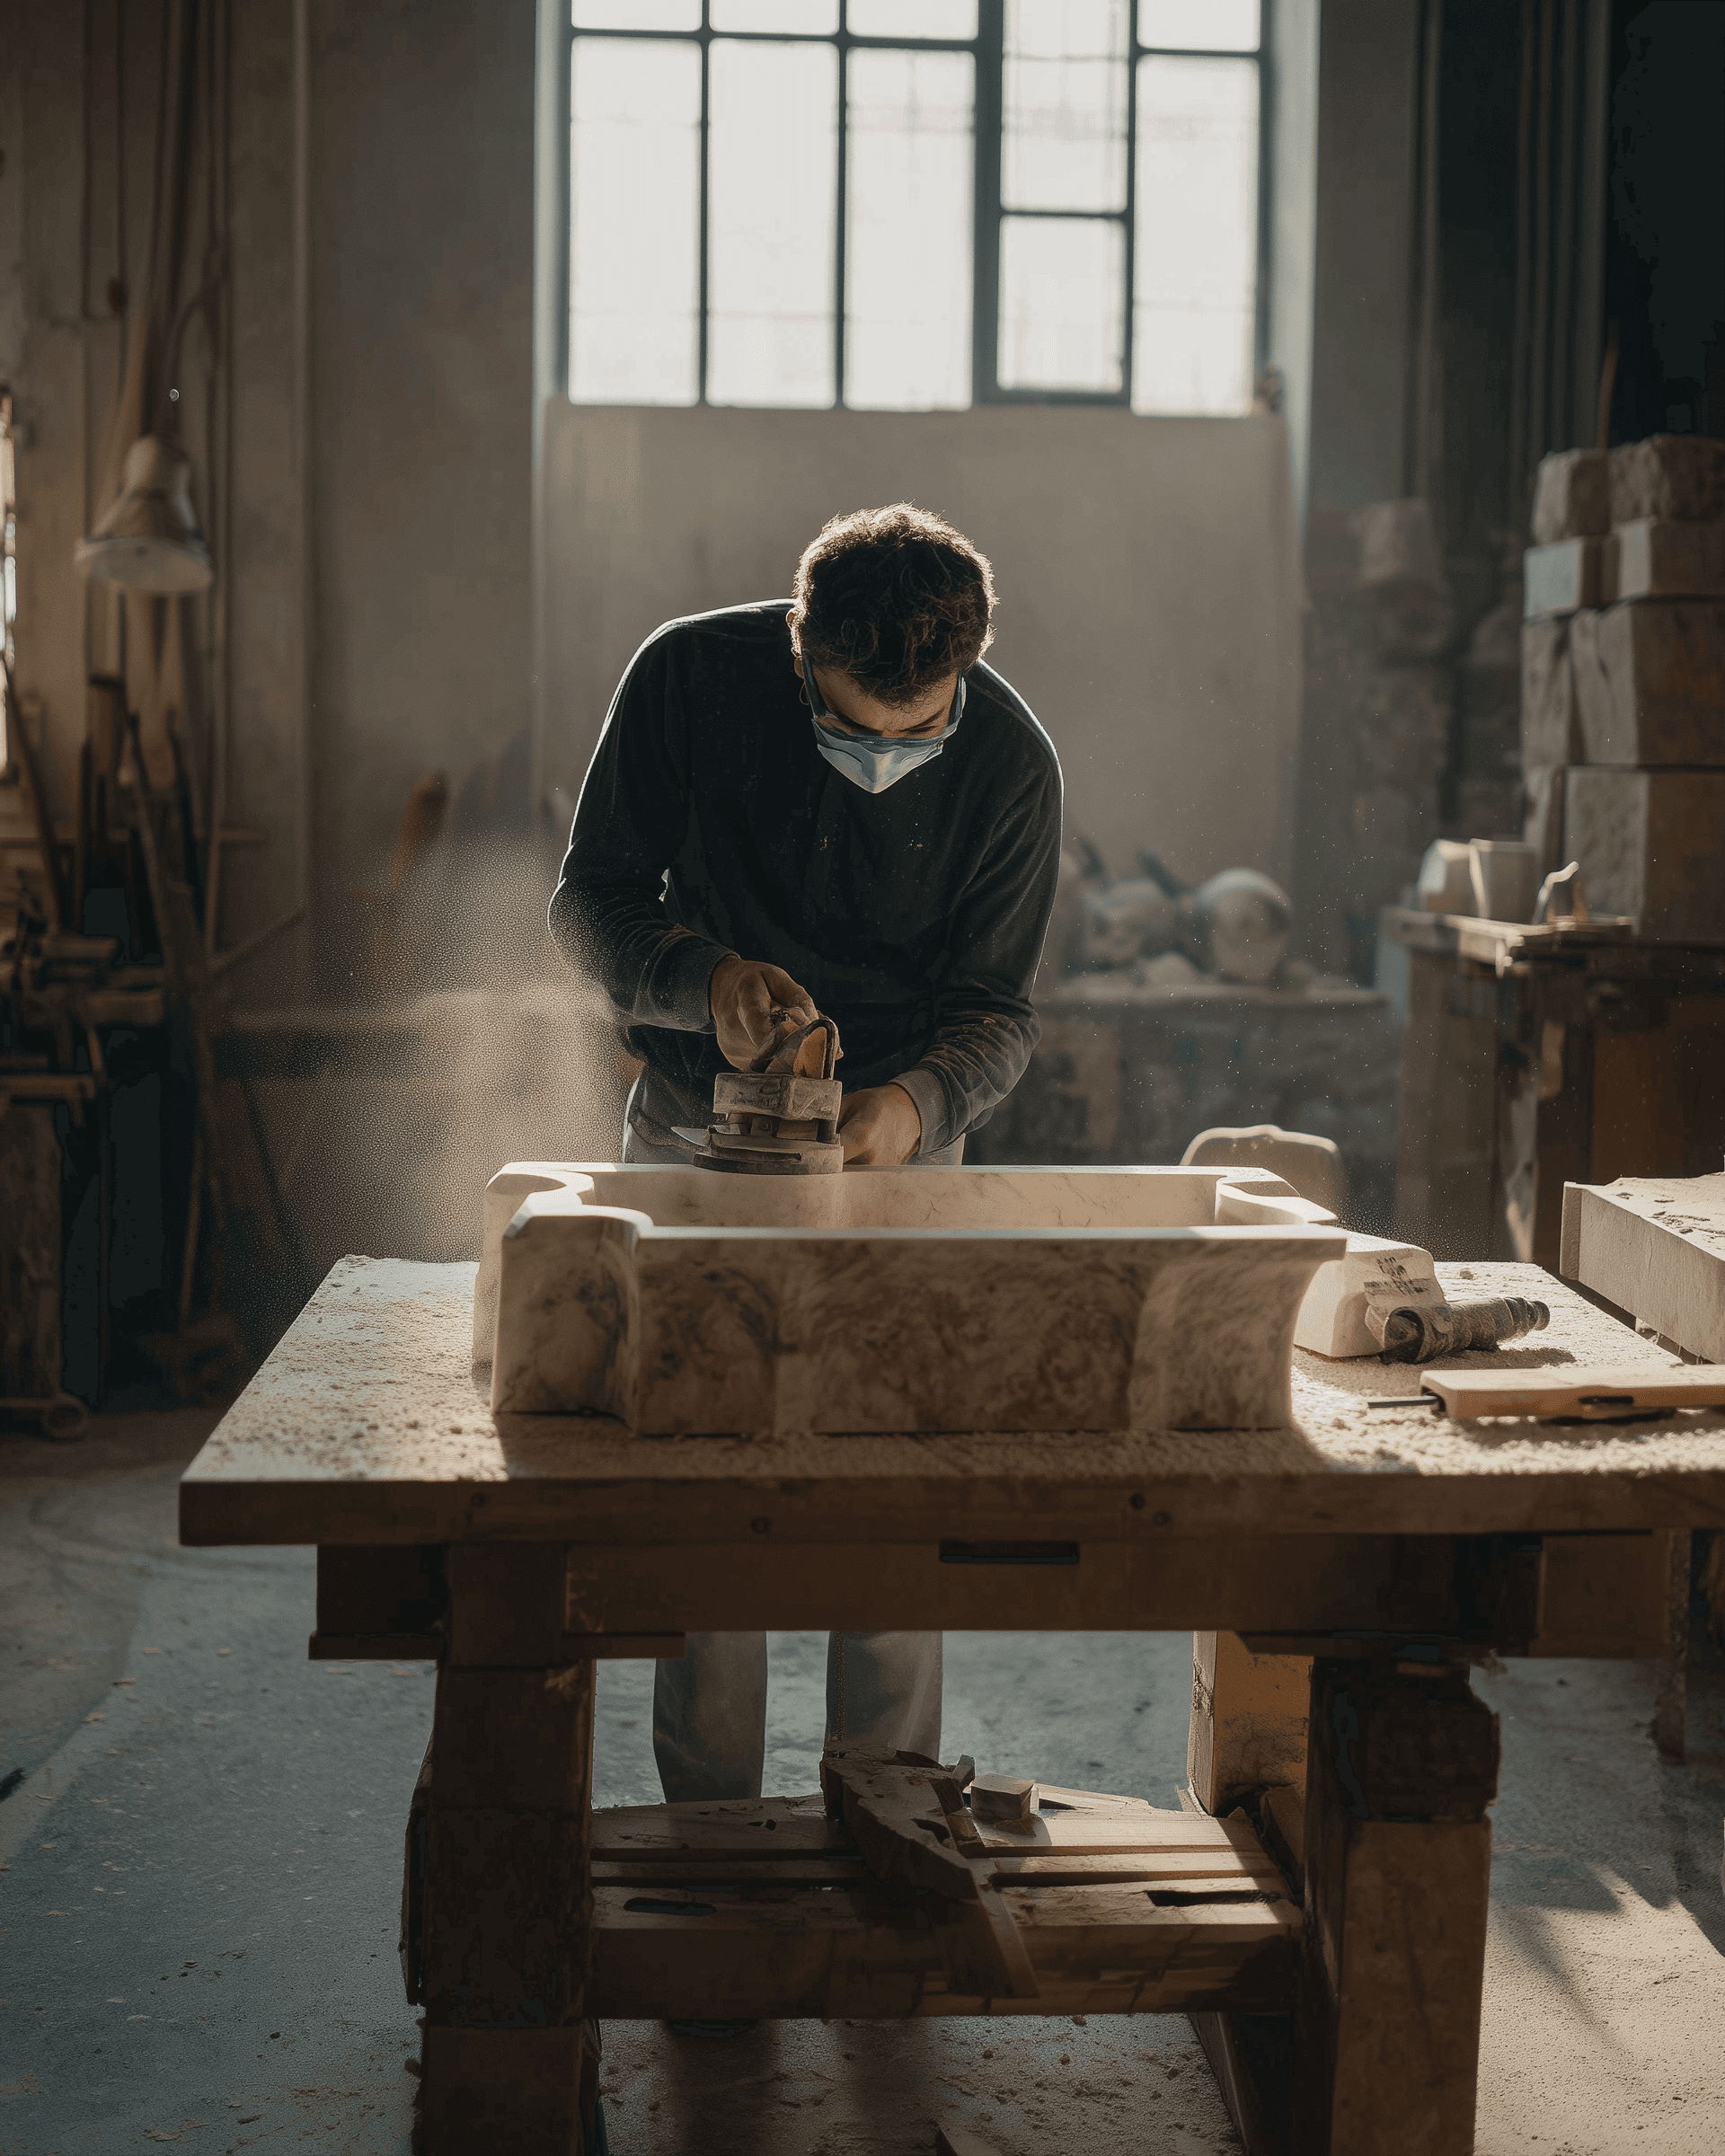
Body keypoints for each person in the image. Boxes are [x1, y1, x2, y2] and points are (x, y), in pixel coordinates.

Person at [549, 501, 1062, 1807]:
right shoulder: (686, 679)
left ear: (967, 675)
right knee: (709, 1485)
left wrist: (911, 1107)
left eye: (917, 730)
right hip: (690, 1133)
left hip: (896, 1157)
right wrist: (695, 979)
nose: (883, 752)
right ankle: (710, 1830)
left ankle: (886, 1810)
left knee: (888, 1495)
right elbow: (589, 903)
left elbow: (997, 1017)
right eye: (849, 723)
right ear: (797, 647)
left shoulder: (1008, 763)